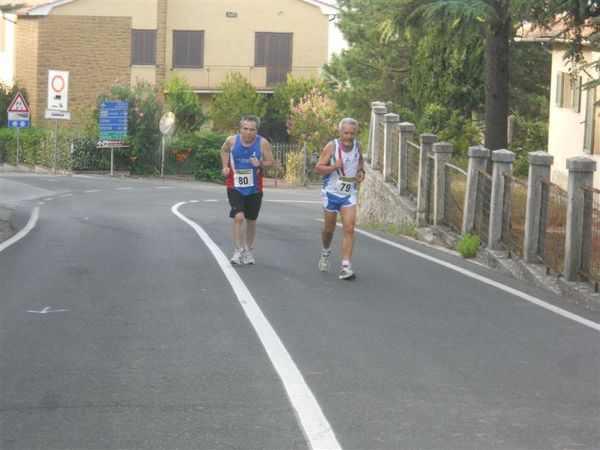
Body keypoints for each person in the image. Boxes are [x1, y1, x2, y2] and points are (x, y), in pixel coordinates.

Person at [315, 118, 365, 280]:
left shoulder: (358, 146)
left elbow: (361, 161)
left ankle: (345, 266)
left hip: (349, 194)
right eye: (346, 133)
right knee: (329, 229)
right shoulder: (332, 147)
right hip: (330, 193)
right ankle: (325, 251)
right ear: (340, 132)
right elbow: (318, 168)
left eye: (352, 133)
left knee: (349, 228)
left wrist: (361, 171)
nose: (349, 137)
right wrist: (333, 167)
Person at [221, 115, 274, 265]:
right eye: (245, 129)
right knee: (238, 217)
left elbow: (271, 161)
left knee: (251, 220)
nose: (248, 132)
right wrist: (225, 166)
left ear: (257, 130)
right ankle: (238, 251)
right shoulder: (231, 141)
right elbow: (223, 151)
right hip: (235, 185)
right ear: (240, 128)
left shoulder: (262, 143)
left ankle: (249, 250)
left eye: (252, 129)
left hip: (254, 188)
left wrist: (261, 163)